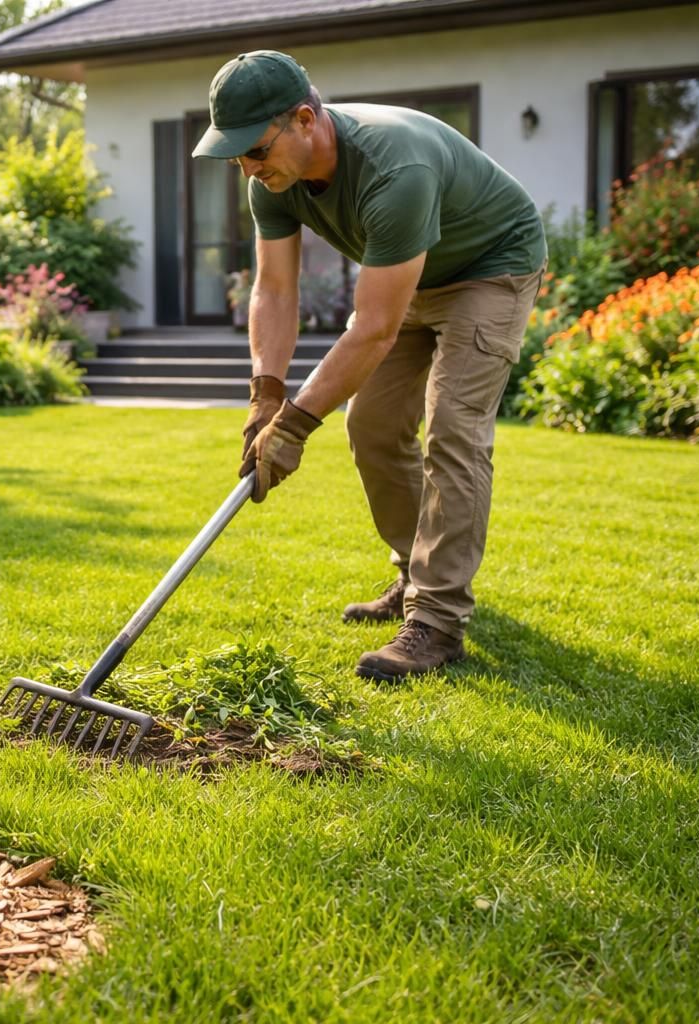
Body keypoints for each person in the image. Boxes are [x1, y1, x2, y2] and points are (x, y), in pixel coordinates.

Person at [192, 50, 546, 683]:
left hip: (490, 268)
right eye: (235, 154)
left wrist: (296, 427)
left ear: (304, 120)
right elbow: (274, 290)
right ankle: (415, 573)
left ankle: (436, 621)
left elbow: (374, 326)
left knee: (453, 431)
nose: (247, 166)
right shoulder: (271, 181)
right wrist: (265, 396)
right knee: (372, 426)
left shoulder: (394, 167)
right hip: (411, 276)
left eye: (255, 149)